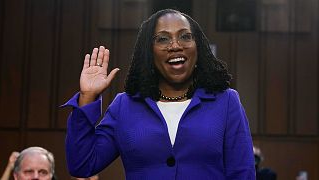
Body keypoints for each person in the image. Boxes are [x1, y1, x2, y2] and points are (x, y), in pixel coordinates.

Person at [63, 9, 255, 179]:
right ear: (149, 53)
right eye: (163, 38)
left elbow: (242, 173)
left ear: (199, 48)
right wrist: (87, 97)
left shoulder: (226, 101)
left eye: (185, 36)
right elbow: (82, 165)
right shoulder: (124, 106)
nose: (175, 45)